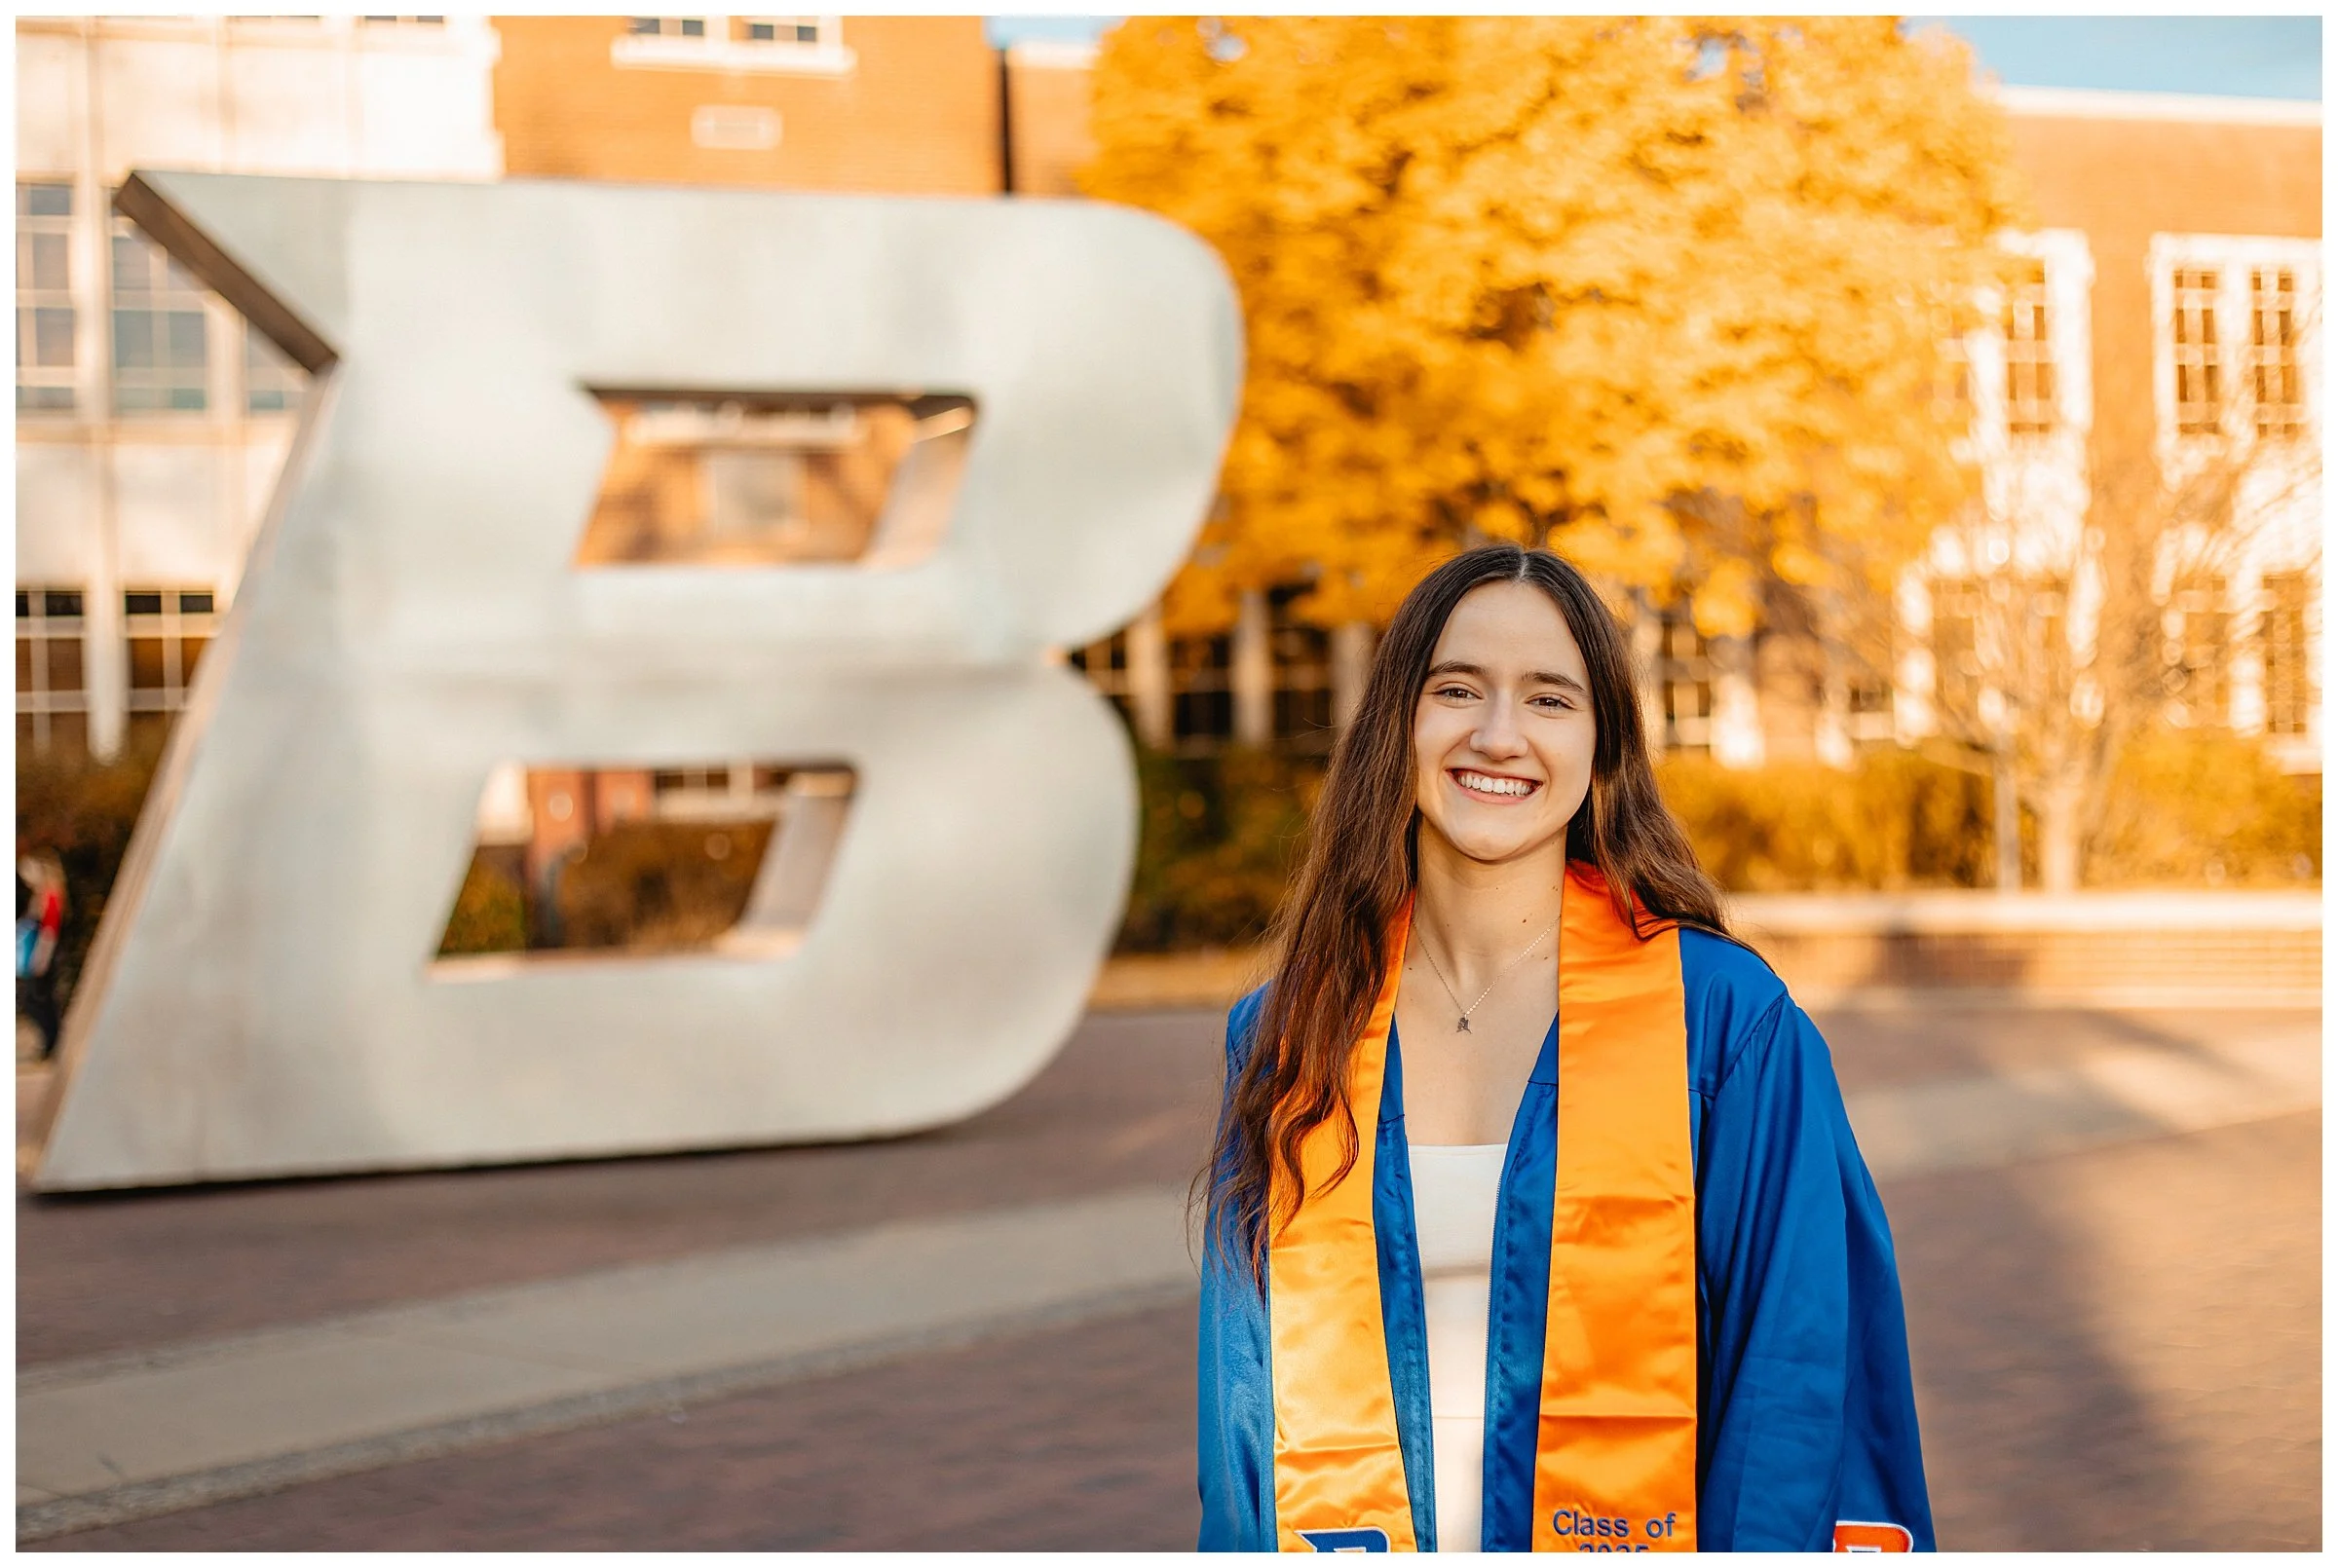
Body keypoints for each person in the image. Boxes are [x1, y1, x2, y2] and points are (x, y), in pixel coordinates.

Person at [1195, 544, 1930, 1552]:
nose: (1499, 735)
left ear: (1602, 746)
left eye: (1550, 699)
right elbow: (1243, 1405)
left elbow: (1792, 1380)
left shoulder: (1720, 1022)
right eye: (1458, 688)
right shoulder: (1295, 1029)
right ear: (1398, 722)